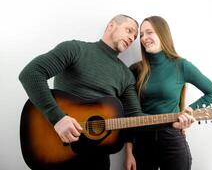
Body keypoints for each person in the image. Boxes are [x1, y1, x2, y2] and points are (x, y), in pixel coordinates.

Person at [19, 14, 193, 170]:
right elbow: (31, 74)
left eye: (134, 37)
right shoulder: (75, 49)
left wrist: (172, 121)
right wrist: (57, 118)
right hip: (56, 146)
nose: (132, 37)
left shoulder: (126, 74)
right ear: (111, 25)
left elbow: (136, 119)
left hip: (98, 158)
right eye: (129, 30)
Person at [124, 16, 212, 170]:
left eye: (149, 32)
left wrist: (190, 110)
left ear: (162, 34)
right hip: (142, 143)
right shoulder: (135, 70)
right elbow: (128, 113)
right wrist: (128, 152)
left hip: (172, 140)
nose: (144, 38)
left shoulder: (180, 65)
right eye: (141, 35)